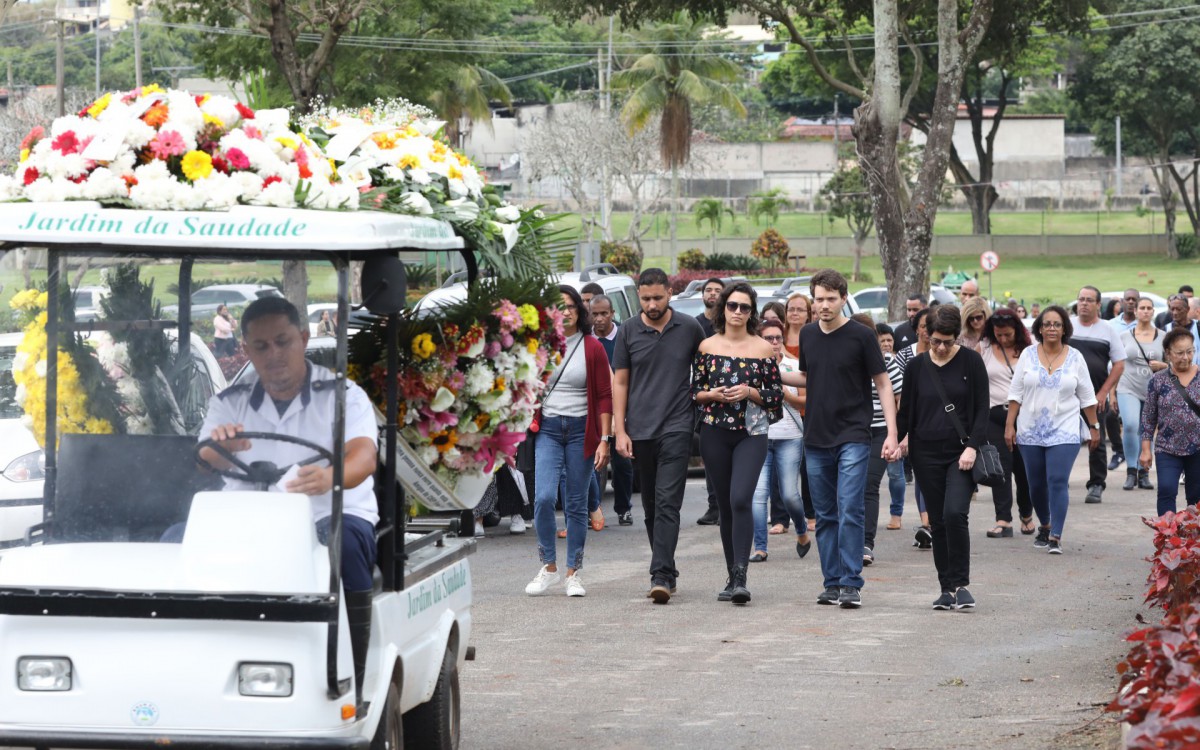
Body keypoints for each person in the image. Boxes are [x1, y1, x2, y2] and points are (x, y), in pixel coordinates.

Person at [186, 297, 379, 696]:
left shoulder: (344, 395)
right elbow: (204, 459)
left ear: (304, 338)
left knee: (341, 550)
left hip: (327, 513)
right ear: (247, 350)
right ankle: (191, 671)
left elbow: (364, 455)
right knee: (175, 542)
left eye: (283, 341)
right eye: (261, 346)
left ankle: (352, 675)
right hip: (246, 517)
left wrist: (330, 477)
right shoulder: (229, 402)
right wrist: (224, 449)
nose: (274, 354)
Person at [792, 269, 899, 609]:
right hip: (816, 436)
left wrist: (893, 433)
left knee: (849, 507)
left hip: (854, 433)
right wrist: (769, 373)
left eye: (830, 299)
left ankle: (852, 582)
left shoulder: (861, 336)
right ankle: (833, 582)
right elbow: (807, 377)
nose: (824, 305)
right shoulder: (808, 335)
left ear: (843, 298)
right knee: (824, 514)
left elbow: (883, 383)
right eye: (819, 299)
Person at [614, 268, 706, 604]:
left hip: (678, 425)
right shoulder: (627, 331)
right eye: (645, 298)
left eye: (658, 297)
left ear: (670, 293)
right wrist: (619, 430)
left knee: (668, 503)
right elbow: (620, 382)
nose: (652, 304)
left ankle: (661, 575)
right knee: (651, 506)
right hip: (640, 429)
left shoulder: (689, 327)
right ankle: (667, 567)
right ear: (639, 296)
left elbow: (708, 366)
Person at [693, 282, 783, 604]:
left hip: (751, 433)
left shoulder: (762, 348)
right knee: (727, 505)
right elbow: (695, 392)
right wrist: (712, 395)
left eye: (745, 307)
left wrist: (750, 392)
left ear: (751, 312)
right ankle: (732, 575)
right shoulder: (706, 346)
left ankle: (742, 575)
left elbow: (775, 398)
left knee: (742, 498)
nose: (738, 312)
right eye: (732, 306)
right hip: (714, 432)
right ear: (723, 308)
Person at [897, 305, 989, 610]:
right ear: (926, 334)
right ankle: (946, 588)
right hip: (925, 454)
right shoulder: (915, 367)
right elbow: (906, 413)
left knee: (954, 514)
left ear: (957, 337)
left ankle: (962, 584)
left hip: (960, 453)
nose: (941, 347)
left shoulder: (971, 362)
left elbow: (981, 411)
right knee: (937, 522)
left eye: (948, 342)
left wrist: (972, 447)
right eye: (936, 340)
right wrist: (894, 441)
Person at [525, 285, 613, 598]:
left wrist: (604, 439)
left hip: (581, 431)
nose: (565, 312)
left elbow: (605, 395)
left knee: (576, 504)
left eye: (570, 306)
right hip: (547, 429)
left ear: (579, 309)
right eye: (558, 306)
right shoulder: (539, 345)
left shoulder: (592, 347)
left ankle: (573, 573)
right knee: (544, 497)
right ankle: (548, 567)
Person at [1005, 305, 1101, 555]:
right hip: (1029, 429)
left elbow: (1088, 396)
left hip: (1065, 428)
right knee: (1035, 484)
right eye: (1046, 323)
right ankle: (1045, 525)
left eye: (1056, 324)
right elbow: (1015, 394)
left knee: (1057, 480)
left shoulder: (1075, 357)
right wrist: (1009, 426)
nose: (1051, 328)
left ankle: (1056, 535)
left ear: (1064, 329)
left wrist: (1094, 427)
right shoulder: (1027, 355)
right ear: (1039, 328)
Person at [750, 319, 810, 563]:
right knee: (758, 495)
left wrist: (784, 393)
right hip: (760, 437)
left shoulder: (793, 366)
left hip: (789, 437)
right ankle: (760, 547)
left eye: (778, 338)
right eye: (768, 338)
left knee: (789, 495)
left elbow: (807, 401)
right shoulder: (751, 367)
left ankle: (802, 529)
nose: (774, 343)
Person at [851, 314, 904, 566]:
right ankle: (849, 539)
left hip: (879, 431)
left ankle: (865, 543)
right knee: (849, 488)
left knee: (868, 486)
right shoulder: (844, 358)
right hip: (849, 431)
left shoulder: (885, 361)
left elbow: (899, 396)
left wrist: (896, 434)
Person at [978, 308, 1035, 537]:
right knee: (999, 467)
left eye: (1007, 335)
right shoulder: (983, 348)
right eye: (998, 335)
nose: (1002, 339)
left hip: (1025, 416)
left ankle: (1027, 514)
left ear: (1017, 331)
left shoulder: (1029, 351)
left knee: (1023, 469)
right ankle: (1003, 519)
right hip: (993, 415)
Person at [1070, 286, 1126, 504]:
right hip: (1065, 395)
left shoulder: (1107, 330)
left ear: (1097, 304)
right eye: (1081, 299)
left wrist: (1103, 392)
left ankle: (1096, 484)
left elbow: (1119, 364)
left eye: (1089, 300)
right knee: (1060, 437)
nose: (1084, 303)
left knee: (1096, 439)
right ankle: (1058, 478)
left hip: (1094, 396)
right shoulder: (1067, 326)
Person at [1140, 328, 1200, 515]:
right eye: (1179, 353)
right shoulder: (1158, 380)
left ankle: (1194, 541)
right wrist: (1145, 450)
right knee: (1166, 490)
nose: (1185, 357)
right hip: (1167, 448)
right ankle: (1167, 539)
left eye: (1190, 351)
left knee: (1196, 497)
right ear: (1168, 353)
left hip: (1198, 448)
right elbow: (1148, 418)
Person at [589, 294, 635, 526]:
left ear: (612, 314)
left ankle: (623, 508)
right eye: (594, 314)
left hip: (620, 409)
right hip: (594, 411)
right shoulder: (586, 340)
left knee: (622, 462)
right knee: (595, 463)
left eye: (603, 313)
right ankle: (594, 510)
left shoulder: (623, 338)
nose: (599, 319)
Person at [1117, 298, 1167, 492]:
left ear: (1153, 311)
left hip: (1152, 389)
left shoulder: (1163, 336)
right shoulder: (1123, 336)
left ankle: (1143, 472)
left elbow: (1175, 365)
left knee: (1147, 429)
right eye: (1142, 308)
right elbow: (1117, 364)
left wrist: (1163, 366)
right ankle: (1131, 471)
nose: (1145, 311)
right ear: (1135, 311)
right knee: (1130, 425)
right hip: (1127, 385)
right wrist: (1112, 394)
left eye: (1148, 308)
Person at [695, 277, 726, 526]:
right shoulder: (694, 325)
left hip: (732, 395)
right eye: (709, 290)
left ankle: (729, 506)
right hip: (703, 398)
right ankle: (714, 506)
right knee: (710, 455)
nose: (713, 294)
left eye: (718, 290)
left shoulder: (729, 323)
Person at [876, 323, 908, 531]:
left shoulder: (890, 362)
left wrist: (896, 429)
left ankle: (896, 513)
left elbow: (900, 397)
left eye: (890, 340)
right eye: (882, 341)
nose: (887, 344)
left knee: (895, 473)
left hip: (888, 427)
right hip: (864, 428)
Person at [1164, 293, 1200, 365]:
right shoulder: (1165, 329)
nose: (1175, 312)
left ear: (1187, 309)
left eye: (1178, 309)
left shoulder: (1198, 327)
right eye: (1172, 309)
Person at [783, 293, 812, 359]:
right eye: (791, 309)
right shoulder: (778, 335)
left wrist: (785, 353)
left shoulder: (815, 338)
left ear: (808, 314)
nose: (795, 313)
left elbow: (810, 367)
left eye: (800, 310)